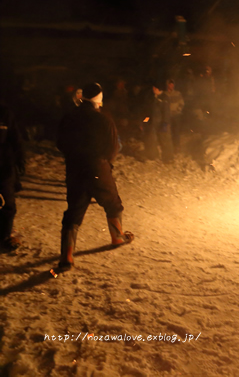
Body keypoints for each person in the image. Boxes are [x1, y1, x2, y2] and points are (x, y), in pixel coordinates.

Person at [56, 82, 134, 271]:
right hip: (98, 168)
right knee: (113, 203)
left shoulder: (69, 117)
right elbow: (113, 147)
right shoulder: (104, 119)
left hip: (75, 169)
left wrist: (73, 157)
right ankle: (117, 237)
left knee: (73, 211)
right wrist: (105, 163)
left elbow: (60, 142)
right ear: (98, 99)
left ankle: (67, 257)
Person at [0, 103, 25, 252]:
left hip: (4, 165)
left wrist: (20, 159)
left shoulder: (4, 113)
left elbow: (15, 138)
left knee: (8, 203)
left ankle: (4, 236)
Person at [142, 82, 174, 163]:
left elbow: (166, 112)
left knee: (165, 140)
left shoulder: (164, 98)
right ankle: (152, 156)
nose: (153, 90)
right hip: (152, 123)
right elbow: (149, 112)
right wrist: (144, 122)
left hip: (162, 122)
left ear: (157, 89)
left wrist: (165, 123)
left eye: (154, 88)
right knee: (151, 139)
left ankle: (168, 158)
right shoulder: (152, 98)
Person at [164, 79, 185, 152]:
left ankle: (177, 146)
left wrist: (178, 110)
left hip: (176, 115)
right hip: (167, 115)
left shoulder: (177, 93)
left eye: (172, 84)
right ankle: (169, 146)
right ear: (167, 85)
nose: (171, 86)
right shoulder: (164, 94)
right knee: (168, 131)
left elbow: (181, 103)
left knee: (176, 131)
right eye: (170, 84)